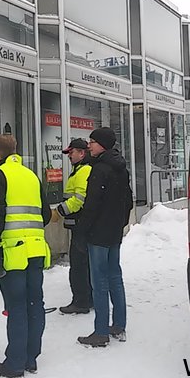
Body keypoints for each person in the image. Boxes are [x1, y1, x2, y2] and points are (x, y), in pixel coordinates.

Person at [0, 134, 52, 378]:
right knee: (35, 303)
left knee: (17, 307)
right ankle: (31, 358)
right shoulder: (31, 176)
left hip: (12, 253)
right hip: (36, 250)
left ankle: (14, 364)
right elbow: (45, 214)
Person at [76, 127, 133, 347]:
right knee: (114, 277)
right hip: (114, 232)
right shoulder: (121, 168)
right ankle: (119, 324)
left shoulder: (99, 170)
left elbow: (91, 205)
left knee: (98, 281)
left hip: (98, 234)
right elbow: (128, 200)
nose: (89, 145)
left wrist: (82, 231)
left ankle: (100, 332)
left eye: (92, 142)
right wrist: (120, 224)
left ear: (102, 144)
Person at [51, 138, 93, 314]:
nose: (69, 156)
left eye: (72, 152)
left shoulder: (83, 171)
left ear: (82, 153)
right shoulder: (79, 171)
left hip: (80, 226)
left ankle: (81, 302)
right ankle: (86, 299)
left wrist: (59, 212)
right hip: (80, 225)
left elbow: (79, 200)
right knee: (83, 264)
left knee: (79, 265)